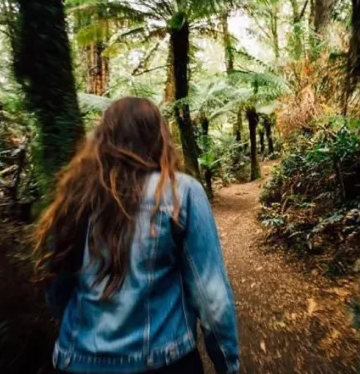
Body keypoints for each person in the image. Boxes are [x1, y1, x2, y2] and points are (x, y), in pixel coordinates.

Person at [33, 97, 240, 374]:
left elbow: (57, 290)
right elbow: (210, 295)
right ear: (159, 137)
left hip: (77, 361)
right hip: (163, 361)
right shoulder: (181, 192)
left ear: (103, 140)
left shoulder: (78, 195)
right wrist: (228, 364)